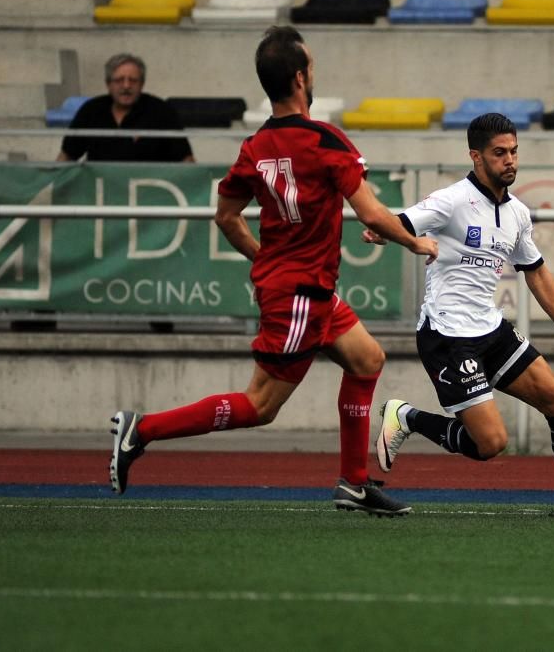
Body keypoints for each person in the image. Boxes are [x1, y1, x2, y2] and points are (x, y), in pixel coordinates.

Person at [108, 26, 438, 516]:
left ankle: (354, 482)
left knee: (367, 359)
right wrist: (415, 241)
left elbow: (225, 216)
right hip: (301, 295)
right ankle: (142, 430)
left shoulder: (255, 145)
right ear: (301, 77)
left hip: (306, 291)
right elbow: (370, 214)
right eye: (313, 66)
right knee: (260, 405)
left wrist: (264, 260)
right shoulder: (326, 140)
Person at [369, 113, 554, 520]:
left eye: (514, 152)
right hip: (448, 335)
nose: (510, 160)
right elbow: (399, 221)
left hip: (491, 330)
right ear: (476, 156)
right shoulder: (451, 200)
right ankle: (407, 417)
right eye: (499, 153)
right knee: (490, 444)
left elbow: (537, 271)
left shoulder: (517, 214)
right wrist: (386, 231)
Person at [57, 53, 195, 162]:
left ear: (142, 84)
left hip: (151, 195)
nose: (126, 86)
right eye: (119, 80)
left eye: (133, 80)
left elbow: (186, 161)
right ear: (108, 84)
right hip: (101, 194)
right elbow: (66, 157)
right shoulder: (91, 110)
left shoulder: (162, 112)